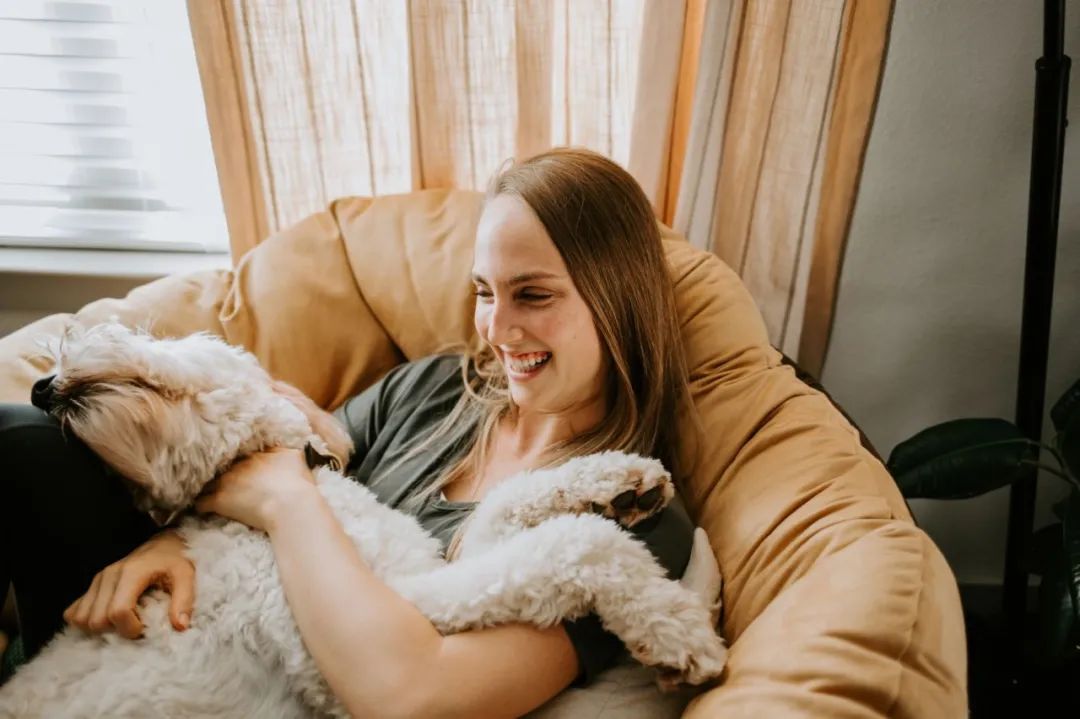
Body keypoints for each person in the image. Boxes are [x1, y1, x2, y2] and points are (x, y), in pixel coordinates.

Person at [0, 148, 697, 716]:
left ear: (618, 299)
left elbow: (416, 699)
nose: (497, 327)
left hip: (299, 689)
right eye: (485, 291)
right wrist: (172, 545)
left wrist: (286, 503)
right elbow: (284, 448)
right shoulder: (436, 388)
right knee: (25, 439)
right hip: (199, 632)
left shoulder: (635, 513)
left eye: (533, 294)